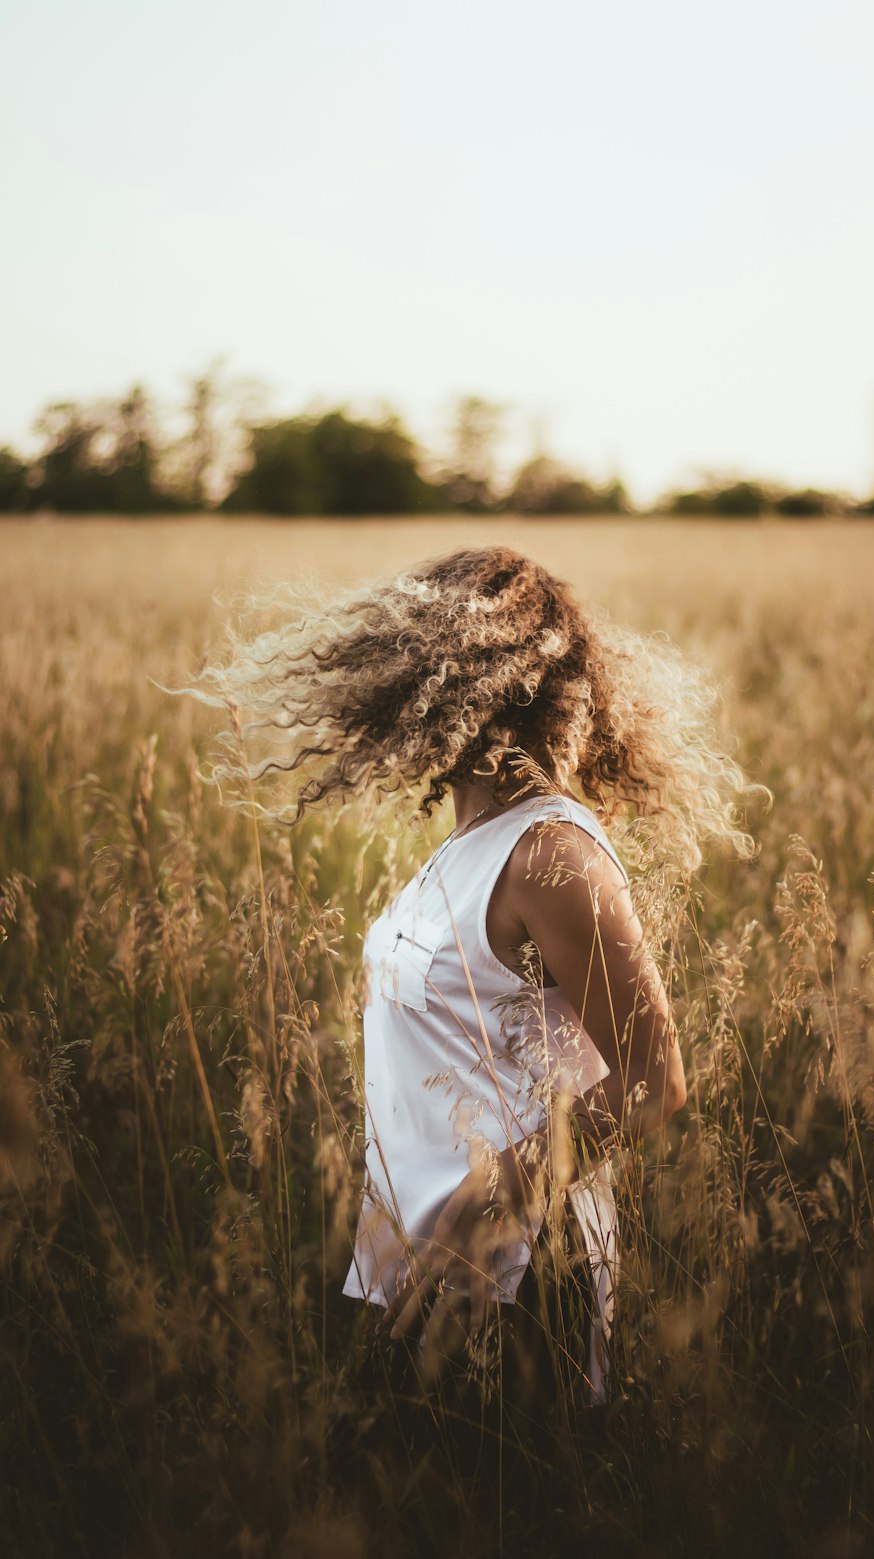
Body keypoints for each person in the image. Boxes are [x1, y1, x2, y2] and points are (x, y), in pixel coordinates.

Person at [191, 544, 761, 1422]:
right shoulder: (471, 843)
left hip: (513, 1276)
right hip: (417, 1268)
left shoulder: (549, 850)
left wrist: (494, 1198)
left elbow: (657, 1078)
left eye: (413, 658)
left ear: (467, 679)